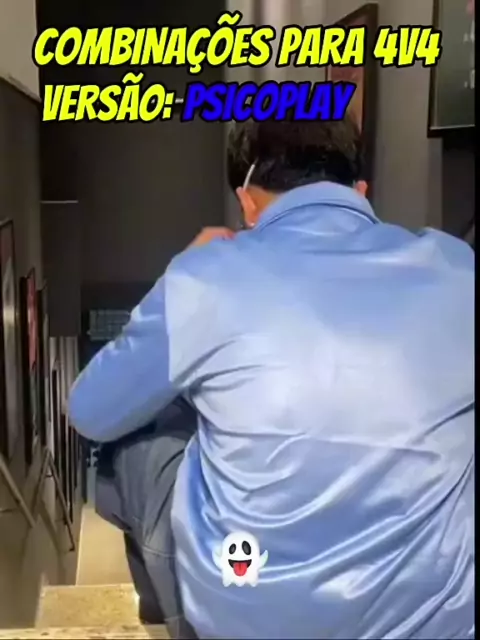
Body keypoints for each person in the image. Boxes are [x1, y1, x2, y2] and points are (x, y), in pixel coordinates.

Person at [68, 115, 474, 640]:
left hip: (248, 617)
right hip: (440, 623)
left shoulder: (204, 276)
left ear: (247, 203)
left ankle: (172, 614)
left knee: (137, 436)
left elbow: (91, 412)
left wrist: (182, 269)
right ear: (361, 191)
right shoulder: (457, 267)